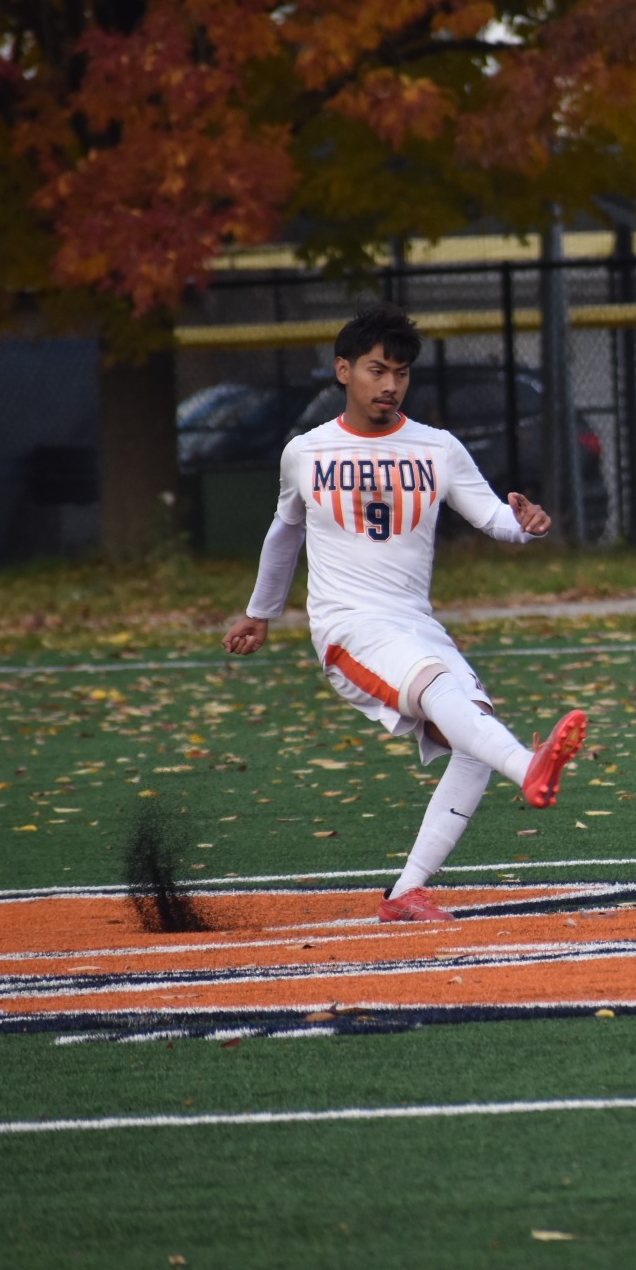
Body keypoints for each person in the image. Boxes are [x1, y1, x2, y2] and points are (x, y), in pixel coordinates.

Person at [223, 304, 586, 918]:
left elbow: (495, 516)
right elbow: (285, 532)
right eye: (376, 369)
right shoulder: (306, 452)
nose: (390, 384)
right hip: (347, 627)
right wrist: (262, 612)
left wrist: (527, 526)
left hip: (415, 625)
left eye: (401, 373)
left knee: (474, 735)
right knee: (449, 696)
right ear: (343, 371)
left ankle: (405, 892)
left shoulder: (437, 447)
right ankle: (530, 768)